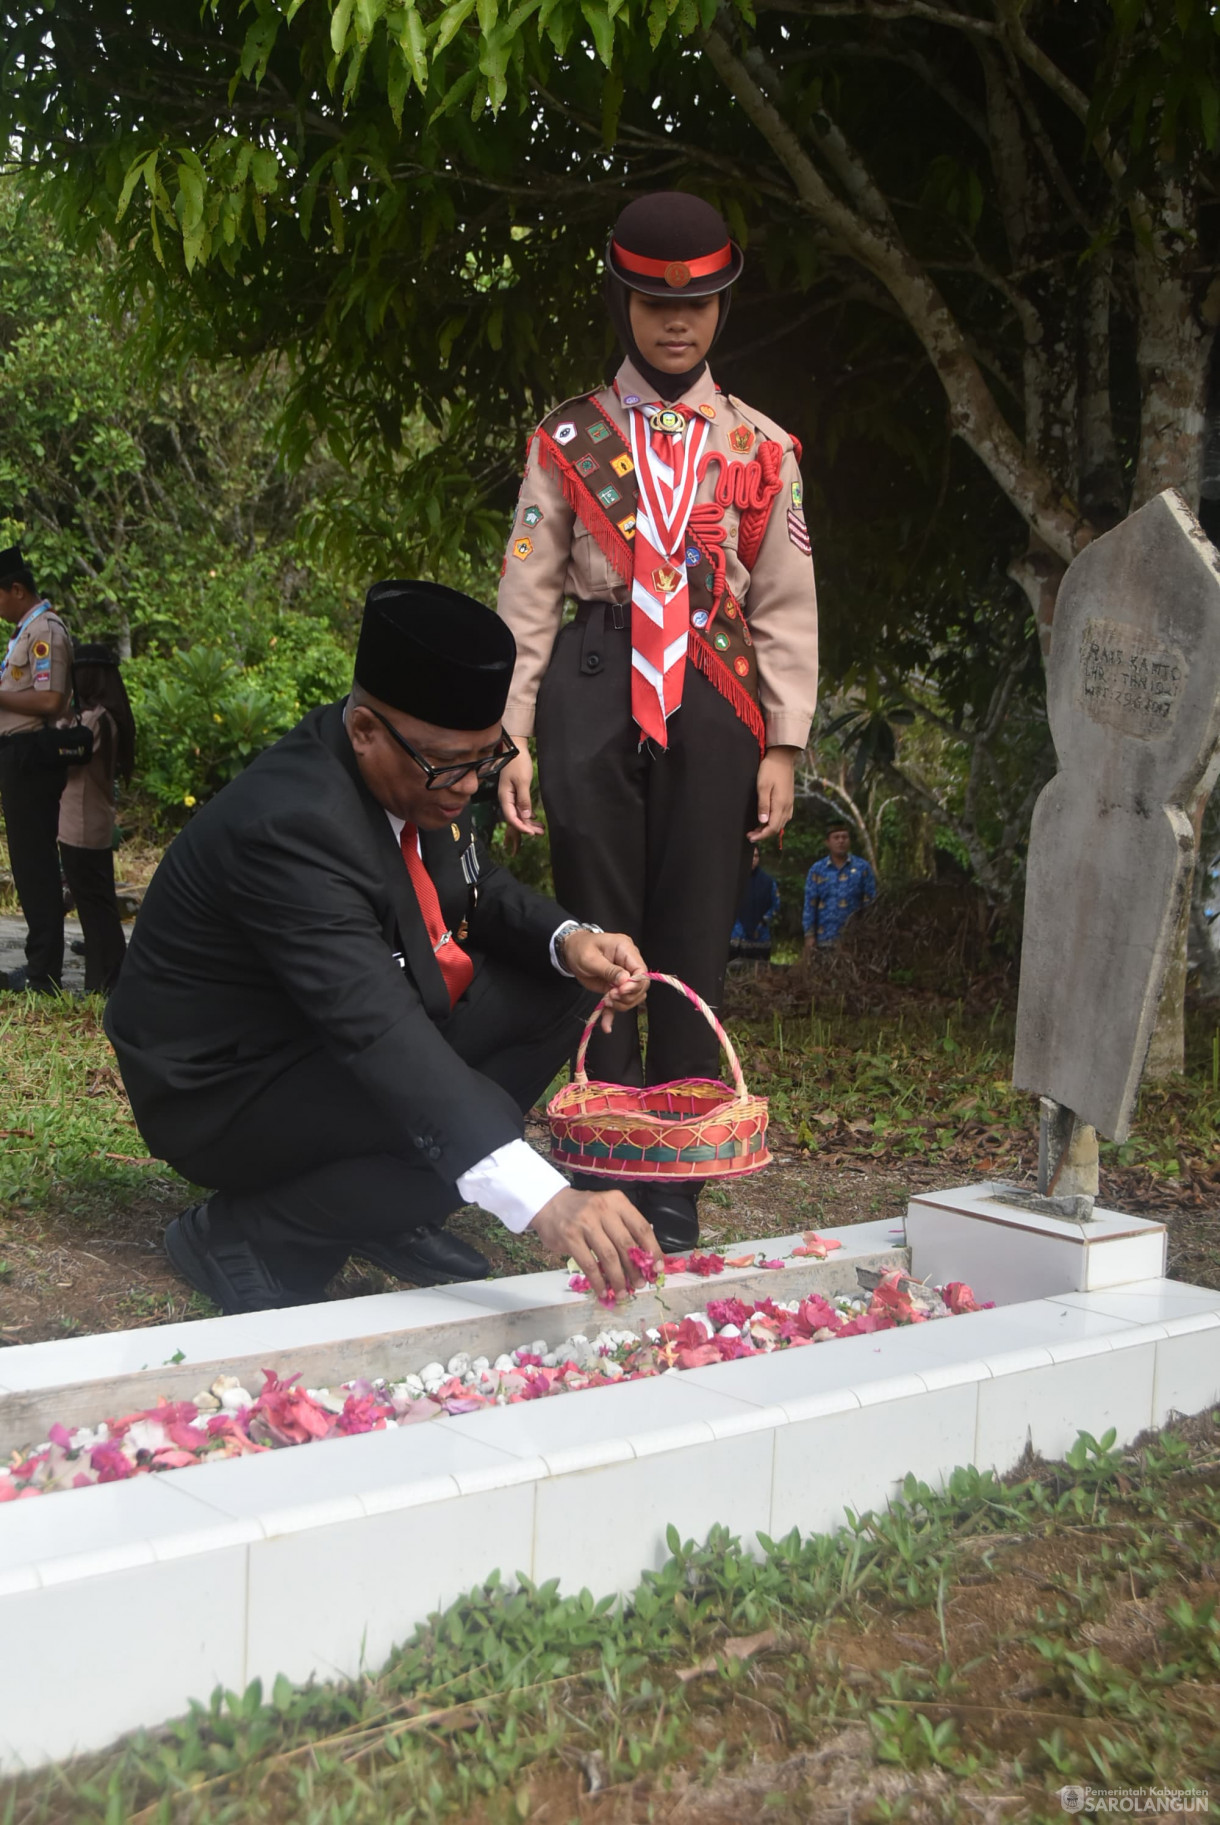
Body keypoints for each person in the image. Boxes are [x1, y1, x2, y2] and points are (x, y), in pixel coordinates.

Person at [105, 580, 662, 1315]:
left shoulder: (421, 772)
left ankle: (384, 1208)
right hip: (225, 1085)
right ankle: (239, 1233)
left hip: (327, 1040)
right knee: (462, 1141)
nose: (467, 787)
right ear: (365, 729)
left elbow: (475, 883)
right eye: (448, 765)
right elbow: (376, 1029)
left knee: (553, 988)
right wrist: (546, 1199)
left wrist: (573, 940)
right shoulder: (292, 826)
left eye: (483, 759)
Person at [496, 191, 819, 1252]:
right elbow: (527, 592)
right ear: (623, 302)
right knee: (598, 917)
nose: (674, 323)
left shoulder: (763, 448)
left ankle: (675, 1171)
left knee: (692, 924)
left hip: (716, 691)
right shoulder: (566, 439)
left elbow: (780, 604)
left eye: (695, 306)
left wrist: (780, 743)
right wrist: (511, 733)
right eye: (650, 304)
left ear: (721, 307)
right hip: (591, 674)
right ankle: (600, 1152)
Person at [0, 544, 73, 994]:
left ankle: (44, 970)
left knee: (36, 865)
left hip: (33, 756)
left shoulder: (45, 631)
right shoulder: (24, 633)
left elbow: (51, 700)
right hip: (16, 754)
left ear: (17, 590)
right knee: (27, 865)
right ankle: (38, 963)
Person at [58, 644, 134, 996]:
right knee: (97, 902)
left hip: (81, 823)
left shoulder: (93, 721)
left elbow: (68, 757)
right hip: (91, 821)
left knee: (93, 905)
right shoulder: (103, 717)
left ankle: (105, 979)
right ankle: (110, 973)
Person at [802, 820, 877, 950]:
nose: (841, 841)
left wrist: (869, 933)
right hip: (824, 939)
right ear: (827, 842)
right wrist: (809, 935)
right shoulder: (817, 870)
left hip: (854, 941)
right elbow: (810, 904)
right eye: (836, 838)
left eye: (844, 837)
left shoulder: (862, 868)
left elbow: (870, 903)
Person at [730, 846, 780, 962]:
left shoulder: (768, 882)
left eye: (756, 856)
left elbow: (775, 905)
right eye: (751, 856)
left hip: (760, 938)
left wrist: (763, 921)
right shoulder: (734, 880)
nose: (753, 859)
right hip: (736, 939)